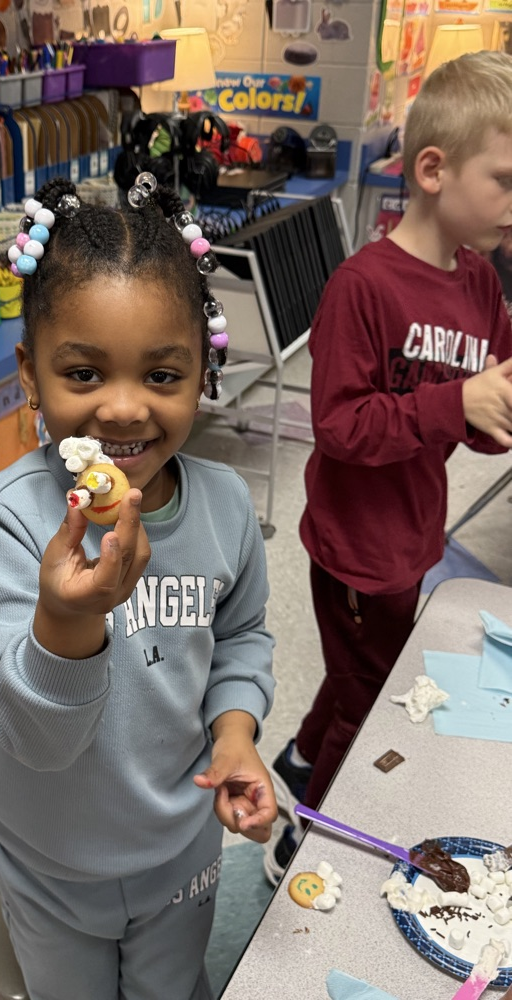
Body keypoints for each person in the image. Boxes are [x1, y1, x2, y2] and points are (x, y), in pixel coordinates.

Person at [0, 172, 278, 1000]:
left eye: (162, 376)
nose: (125, 410)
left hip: (181, 847)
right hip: (50, 863)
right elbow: (36, 741)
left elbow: (240, 637)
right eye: (84, 374)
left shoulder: (227, 507)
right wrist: (66, 620)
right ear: (31, 375)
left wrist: (235, 731)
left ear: (204, 372)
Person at [265, 49, 512, 885]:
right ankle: (308, 839)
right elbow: (339, 426)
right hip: (356, 548)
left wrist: (489, 414)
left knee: (357, 670)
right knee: (371, 695)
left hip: (413, 533)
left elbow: (480, 415)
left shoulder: (481, 287)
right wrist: (455, 403)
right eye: (505, 180)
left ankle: (302, 756)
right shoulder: (363, 287)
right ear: (434, 171)